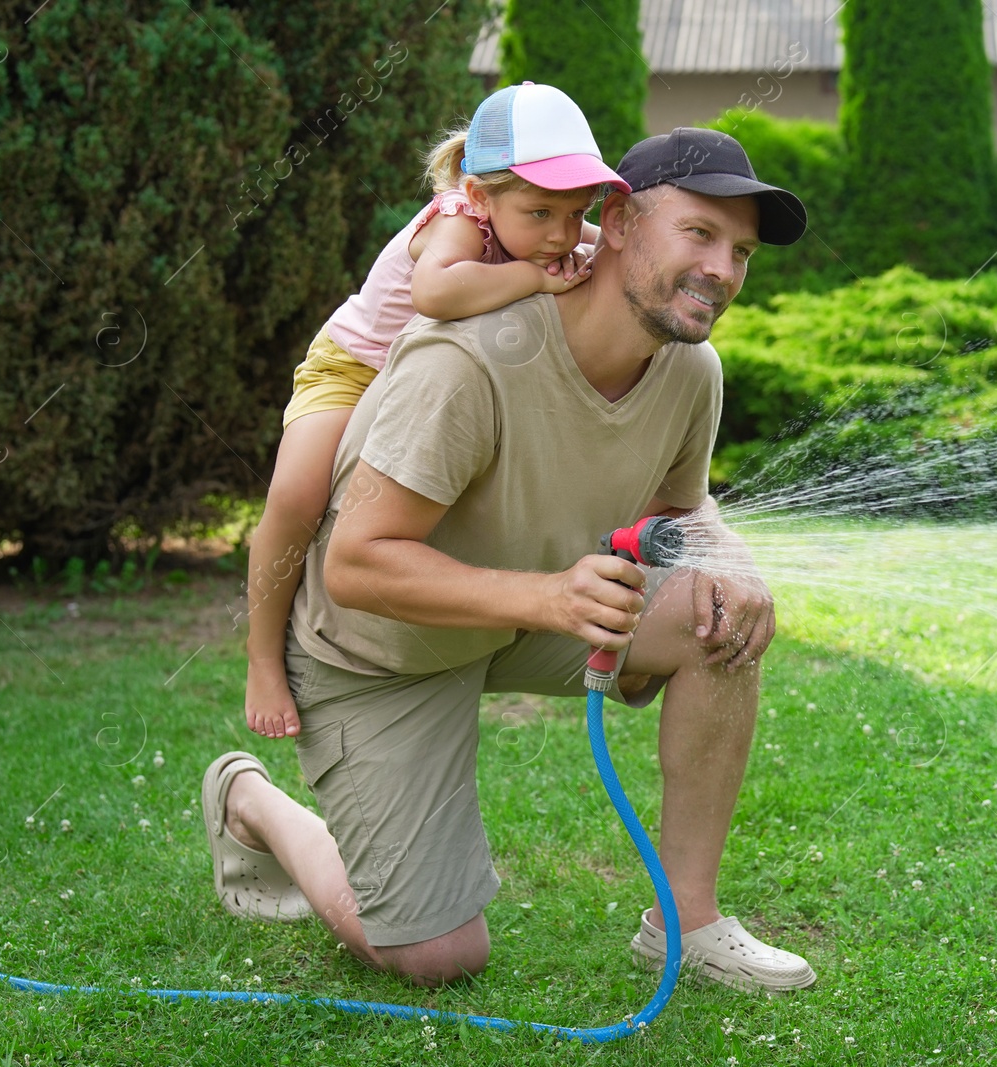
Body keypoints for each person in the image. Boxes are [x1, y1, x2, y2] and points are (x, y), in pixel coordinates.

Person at [201, 127, 818, 995]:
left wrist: (731, 559)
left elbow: (682, 506)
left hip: (529, 612)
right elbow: (355, 566)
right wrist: (547, 596)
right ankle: (254, 803)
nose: (722, 268)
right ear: (616, 221)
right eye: (699, 233)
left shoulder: (690, 370)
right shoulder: (469, 357)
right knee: (436, 958)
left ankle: (687, 920)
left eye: (742, 250)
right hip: (379, 648)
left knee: (726, 620)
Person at [243, 82, 629, 741]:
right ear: (481, 195)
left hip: (423, 390)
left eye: (577, 213)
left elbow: (601, 245)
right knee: (298, 494)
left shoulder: (543, 223)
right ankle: (260, 658)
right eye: (541, 214)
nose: (563, 234)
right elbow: (437, 290)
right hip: (355, 368)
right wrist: (537, 277)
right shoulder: (459, 216)